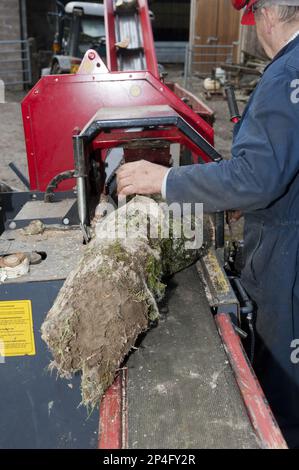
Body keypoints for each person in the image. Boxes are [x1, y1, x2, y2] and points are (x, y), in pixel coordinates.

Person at [116, 0, 299, 447]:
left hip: (289, 255)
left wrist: (165, 179)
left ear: (267, 15)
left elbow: (257, 175)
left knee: (285, 389)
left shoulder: (285, 75)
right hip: (284, 224)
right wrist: (250, 202)